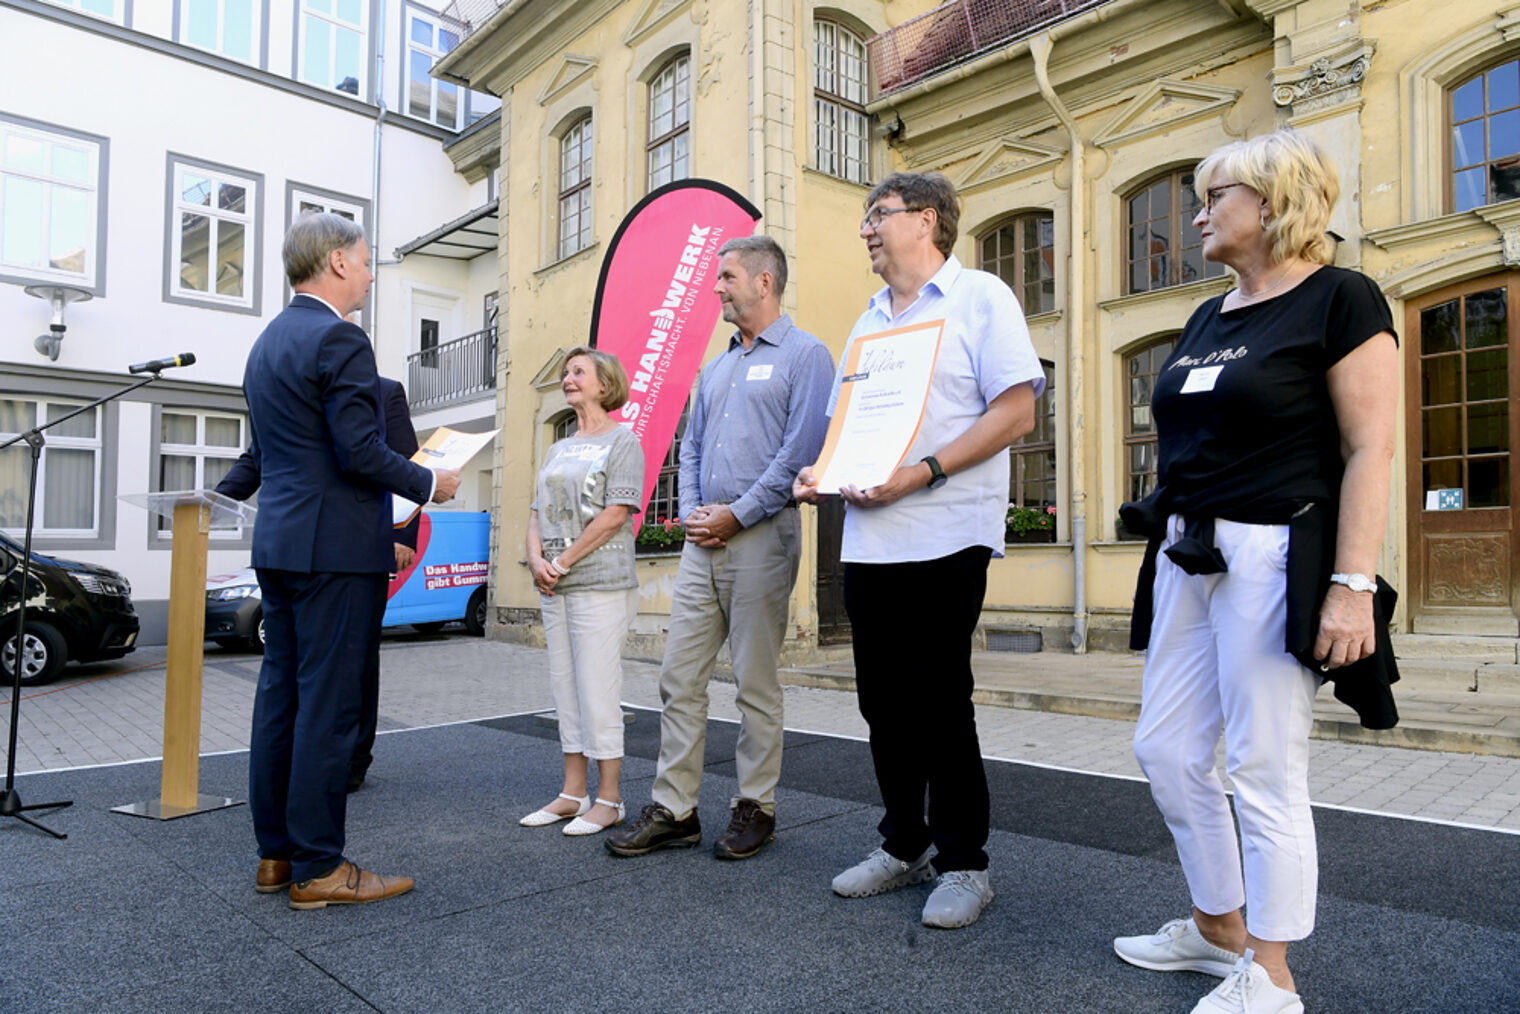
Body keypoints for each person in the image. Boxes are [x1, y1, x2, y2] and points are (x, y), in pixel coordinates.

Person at [1111, 130, 1397, 1014]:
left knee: (1265, 765)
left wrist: (1352, 585)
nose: (1196, 213)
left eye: (1213, 196)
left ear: (1272, 202)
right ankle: (1216, 929)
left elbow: (1370, 447)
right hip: (1188, 552)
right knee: (1165, 748)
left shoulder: (1341, 299)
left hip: (1277, 550)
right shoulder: (1209, 316)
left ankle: (1271, 976)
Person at [793, 171, 1044, 929]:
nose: (866, 228)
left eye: (879, 215)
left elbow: (1017, 410)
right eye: (867, 218)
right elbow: (846, 425)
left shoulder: (981, 299)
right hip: (870, 538)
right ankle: (904, 844)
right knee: (882, 703)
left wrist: (923, 472)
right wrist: (822, 470)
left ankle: (965, 865)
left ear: (927, 220)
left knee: (939, 702)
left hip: (945, 532)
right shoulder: (868, 320)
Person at [243, 212, 460, 909]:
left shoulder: (268, 340)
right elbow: (358, 451)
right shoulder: (341, 336)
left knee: (281, 700)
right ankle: (320, 868)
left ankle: (276, 856)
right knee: (329, 709)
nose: (371, 273)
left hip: (280, 544)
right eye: (366, 262)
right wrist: (431, 482)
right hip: (335, 550)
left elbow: (271, 453)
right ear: (337, 262)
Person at [606, 235, 834, 861]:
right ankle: (676, 809)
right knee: (679, 678)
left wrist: (737, 514)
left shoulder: (807, 355)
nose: (717, 288)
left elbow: (800, 452)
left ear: (764, 281)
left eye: (727, 276)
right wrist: (694, 514)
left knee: (755, 683)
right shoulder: (717, 367)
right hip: (704, 542)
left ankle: (755, 805)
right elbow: (693, 448)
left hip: (763, 535)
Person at [216, 374, 421, 794]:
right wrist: (213, 500)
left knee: (357, 662)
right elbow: (258, 456)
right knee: (296, 662)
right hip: (295, 549)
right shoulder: (288, 392)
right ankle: (305, 757)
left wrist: (402, 535)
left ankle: (354, 758)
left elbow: (406, 463)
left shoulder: (382, 391)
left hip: (359, 547)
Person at [519, 347, 644, 837]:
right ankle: (573, 793)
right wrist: (535, 561)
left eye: (578, 372)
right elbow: (536, 510)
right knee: (565, 688)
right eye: (566, 373)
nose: (568, 379)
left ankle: (610, 798)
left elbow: (618, 511)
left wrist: (563, 561)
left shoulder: (622, 441)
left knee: (598, 689)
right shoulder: (559, 446)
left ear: (605, 385)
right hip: (555, 585)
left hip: (599, 583)